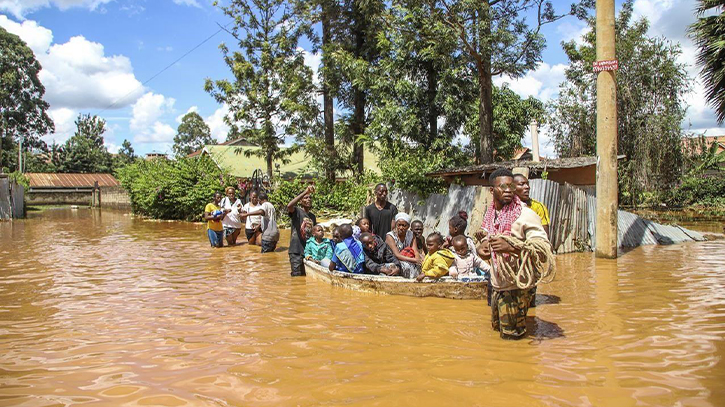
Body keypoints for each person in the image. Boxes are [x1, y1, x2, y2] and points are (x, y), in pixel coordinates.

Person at [477, 168, 551, 340]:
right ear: (492, 190)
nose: (508, 190)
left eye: (510, 186)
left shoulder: (525, 215)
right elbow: (489, 240)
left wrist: (511, 248)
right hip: (498, 285)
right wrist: (483, 248)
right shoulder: (491, 214)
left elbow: (543, 251)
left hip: (516, 288)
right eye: (503, 186)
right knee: (498, 333)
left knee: (513, 339)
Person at [512, 173, 551, 307]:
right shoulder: (506, 208)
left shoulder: (537, 207)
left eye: (527, 184)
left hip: (529, 254)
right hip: (512, 256)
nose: (527, 187)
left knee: (530, 293)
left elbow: (544, 233)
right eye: (521, 184)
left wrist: (542, 253)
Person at [287, 185, 317, 276]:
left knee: (305, 277)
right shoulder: (297, 211)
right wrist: (305, 191)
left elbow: (313, 235)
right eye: (306, 198)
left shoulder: (312, 217)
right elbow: (289, 206)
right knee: (297, 277)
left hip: (307, 252)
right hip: (296, 251)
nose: (308, 199)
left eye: (310, 198)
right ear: (301, 201)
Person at [385, 212, 421, 279]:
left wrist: (418, 259)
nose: (401, 228)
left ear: (408, 226)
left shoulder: (411, 235)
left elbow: (415, 251)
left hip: (408, 259)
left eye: (404, 225)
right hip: (394, 260)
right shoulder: (390, 236)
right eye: (399, 225)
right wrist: (415, 260)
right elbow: (397, 255)